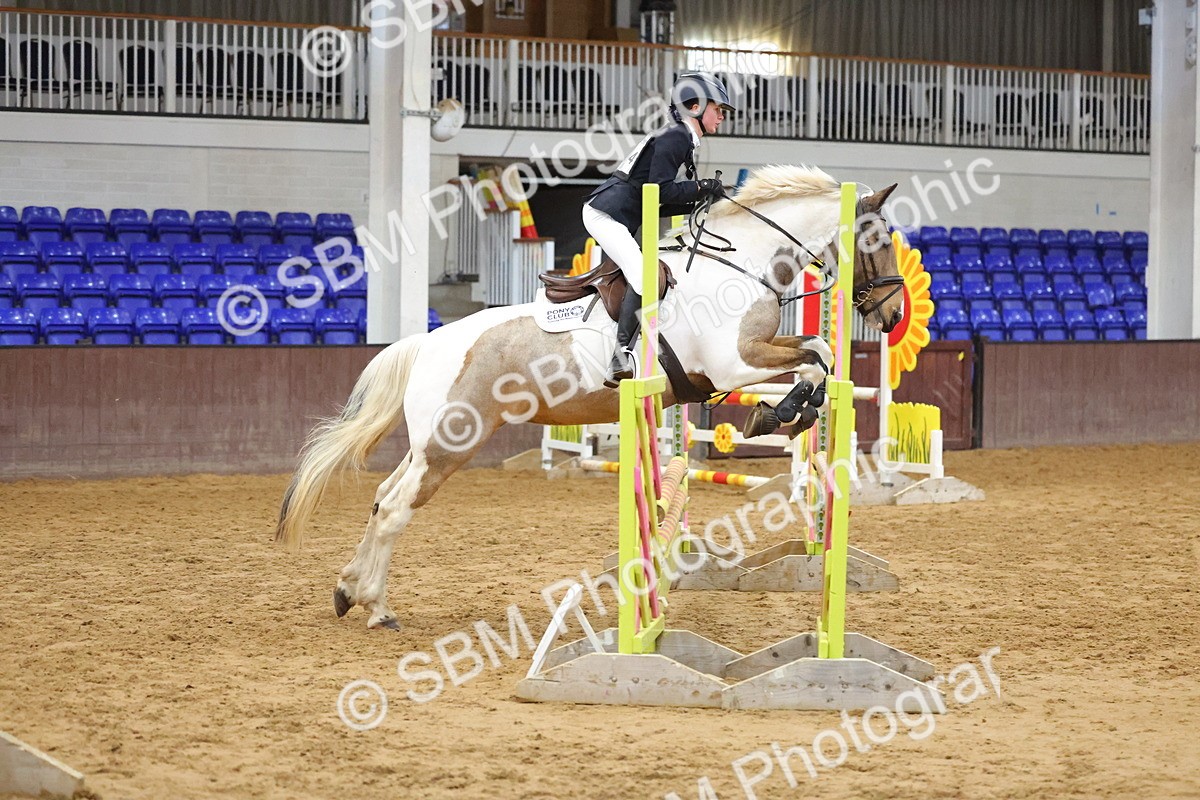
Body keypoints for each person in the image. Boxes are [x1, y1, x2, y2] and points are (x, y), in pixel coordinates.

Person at [583, 71, 735, 387]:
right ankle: (620, 356)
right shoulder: (677, 137)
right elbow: (661, 191)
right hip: (605, 213)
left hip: (622, 213)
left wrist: (704, 196)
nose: (722, 115)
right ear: (695, 107)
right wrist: (701, 187)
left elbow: (660, 200)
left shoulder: (682, 138)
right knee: (642, 275)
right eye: (717, 108)